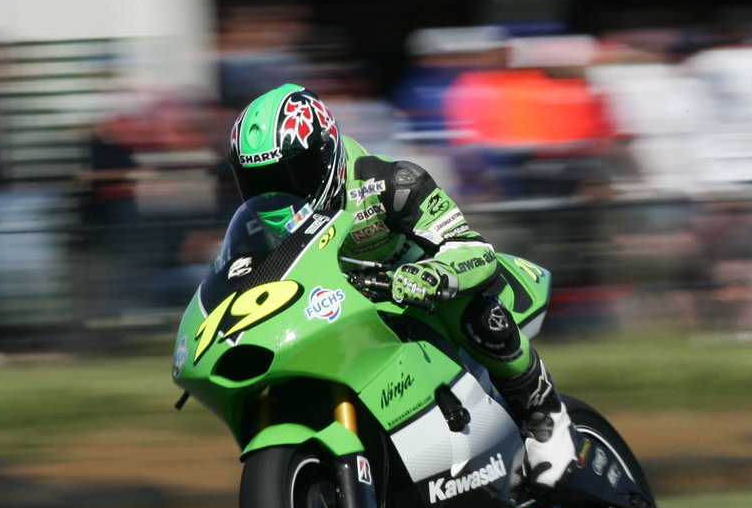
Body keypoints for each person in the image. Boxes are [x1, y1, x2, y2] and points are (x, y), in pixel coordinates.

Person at [227, 83, 578, 487]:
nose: (276, 194)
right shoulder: (258, 226)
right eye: (259, 182)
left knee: (465, 306)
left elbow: (473, 248)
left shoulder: (393, 182)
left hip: (425, 302)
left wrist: (433, 273)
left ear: (326, 157)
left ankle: (543, 415)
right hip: (349, 315)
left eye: (289, 176)